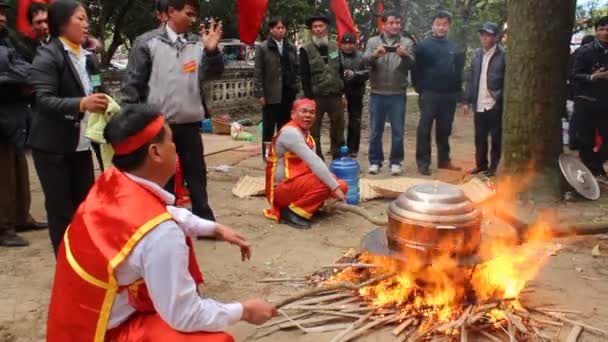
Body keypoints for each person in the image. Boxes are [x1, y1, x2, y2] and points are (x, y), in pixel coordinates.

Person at [46, 104, 278, 341]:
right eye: (172, 142)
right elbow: (185, 316)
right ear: (155, 152)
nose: (176, 148)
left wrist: (213, 227)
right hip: (103, 332)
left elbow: (158, 212)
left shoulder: (112, 180)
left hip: (74, 322)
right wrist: (244, 310)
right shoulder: (160, 233)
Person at [122, 0, 224, 221]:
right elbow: (132, 86)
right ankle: (163, 221)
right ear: (170, 13)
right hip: (158, 125)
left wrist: (213, 51)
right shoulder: (147, 43)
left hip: (189, 122)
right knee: (162, 176)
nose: (193, 19)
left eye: (195, 14)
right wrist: (132, 122)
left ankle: (203, 219)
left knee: (196, 173)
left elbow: (214, 73)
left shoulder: (198, 43)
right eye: (188, 13)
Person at [28, 0, 109, 255]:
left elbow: (96, 87)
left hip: (81, 143)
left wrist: (104, 101)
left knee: (84, 207)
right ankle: (65, 265)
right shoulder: (48, 55)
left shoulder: (87, 57)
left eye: (86, 19)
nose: (86, 25)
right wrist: (82, 103)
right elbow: (42, 100)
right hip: (52, 146)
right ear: (62, 23)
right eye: (80, 18)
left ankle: (83, 260)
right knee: (60, 210)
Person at [264, 99, 348, 229]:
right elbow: (315, 163)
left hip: (296, 184)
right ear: (293, 114)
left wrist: (336, 186)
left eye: (312, 112)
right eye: (303, 111)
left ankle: (307, 206)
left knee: (342, 185)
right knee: (329, 184)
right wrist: (333, 187)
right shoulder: (290, 133)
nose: (308, 115)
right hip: (280, 189)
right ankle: (291, 212)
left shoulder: (306, 135)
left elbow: (314, 168)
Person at [0, 0, 44, 247]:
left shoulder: (11, 39)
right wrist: (15, 77)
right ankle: (4, 226)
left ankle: (20, 217)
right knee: (3, 174)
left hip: (15, 112)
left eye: (3, 13)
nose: (2, 18)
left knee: (19, 168)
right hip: (3, 112)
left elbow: (28, 67)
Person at [413, 11, 465, 175]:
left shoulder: (454, 47)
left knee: (445, 129)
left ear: (449, 26)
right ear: (432, 26)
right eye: (438, 24)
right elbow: (416, 71)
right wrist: (420, 89)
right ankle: (423, 162)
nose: (441, 27)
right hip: (429, 94)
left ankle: (444, 160)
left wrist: (459, 95)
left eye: (444, 24)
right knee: (425, 128)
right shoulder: (423, 46)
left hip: (448, 96)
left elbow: (458, 73)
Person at [363, 10, 415, 175]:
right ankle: (375, 161)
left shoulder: (407, 42)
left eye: (398, 23)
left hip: (397, 93)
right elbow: (364, 61)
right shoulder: (373, 41)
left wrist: (405, 56)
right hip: (377, 92)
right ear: (383, 24)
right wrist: (374, 55)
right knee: (376, 130)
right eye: (391, 23)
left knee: (398, 131)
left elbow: (413, 64)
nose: (395, 26)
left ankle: (395, 161)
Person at [300, 14, 346, 160]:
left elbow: (341, 70)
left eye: (321, 26)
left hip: (335, 93)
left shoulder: (335, 45)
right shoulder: (305, 49)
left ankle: (337, 152)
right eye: (315, 27)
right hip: (316, 95)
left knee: (338, 125)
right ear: (312, 30)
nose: (318, 29)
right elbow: (304, 75)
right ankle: (316, 155)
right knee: (314, 127)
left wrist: (343, 93)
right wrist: (309, 98)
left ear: (326, 28)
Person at [463, 22, 506, 177]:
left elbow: (507, 81)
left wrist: (500, 98)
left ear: (496, 37)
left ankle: (494, 168)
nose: (485, 37)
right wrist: (466, 101)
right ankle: (481, 165)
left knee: (496, 138)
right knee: (479, 138)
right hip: (479, 103)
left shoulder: (503, 56)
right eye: (483, 34)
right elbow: (471, 80)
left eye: (488, 35)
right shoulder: (476, 56)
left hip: (495, 103)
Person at [254, 16, 300, 161]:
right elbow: (258, 72)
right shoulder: (262, 47)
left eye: (283, 28)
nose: (281, 30)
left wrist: (296, 88)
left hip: (287, 93)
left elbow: (296, 69)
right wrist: (260, 93)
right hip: (270, 93)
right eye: (277, 28)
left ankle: (282, 154)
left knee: (284, 126)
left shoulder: (291, 47)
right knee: (268, 127)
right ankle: (267, 156)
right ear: (271, 29)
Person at [572, 16, 608, 180]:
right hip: (586, 102)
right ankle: (590, 174)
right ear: (596, 31)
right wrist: (592, 77)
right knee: (586, 141)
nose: (605, 32)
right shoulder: (585, 51)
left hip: (605, 103)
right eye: (601, 29)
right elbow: (573, 75)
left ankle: (596, 163)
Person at [340, 32, 368, 159]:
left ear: (354, 44)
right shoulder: (335, 56)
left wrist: (355, 74)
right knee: (338, 121)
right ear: (341, 45)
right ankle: (338, 146)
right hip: (339, 92)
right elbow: (332, 72)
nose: (348, 46)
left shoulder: (361, 56)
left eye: (350, 43)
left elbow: (368, 72)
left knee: (355, 121)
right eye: (345, 44)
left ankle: (353, 148)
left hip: (356, 92)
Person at [568, 34, 596, 151]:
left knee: (577, 116)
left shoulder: (573, 55)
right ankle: (580, 142)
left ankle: (573, 141)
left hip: (575, 90)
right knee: (584, 117)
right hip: (584, 90)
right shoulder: (586, 54)